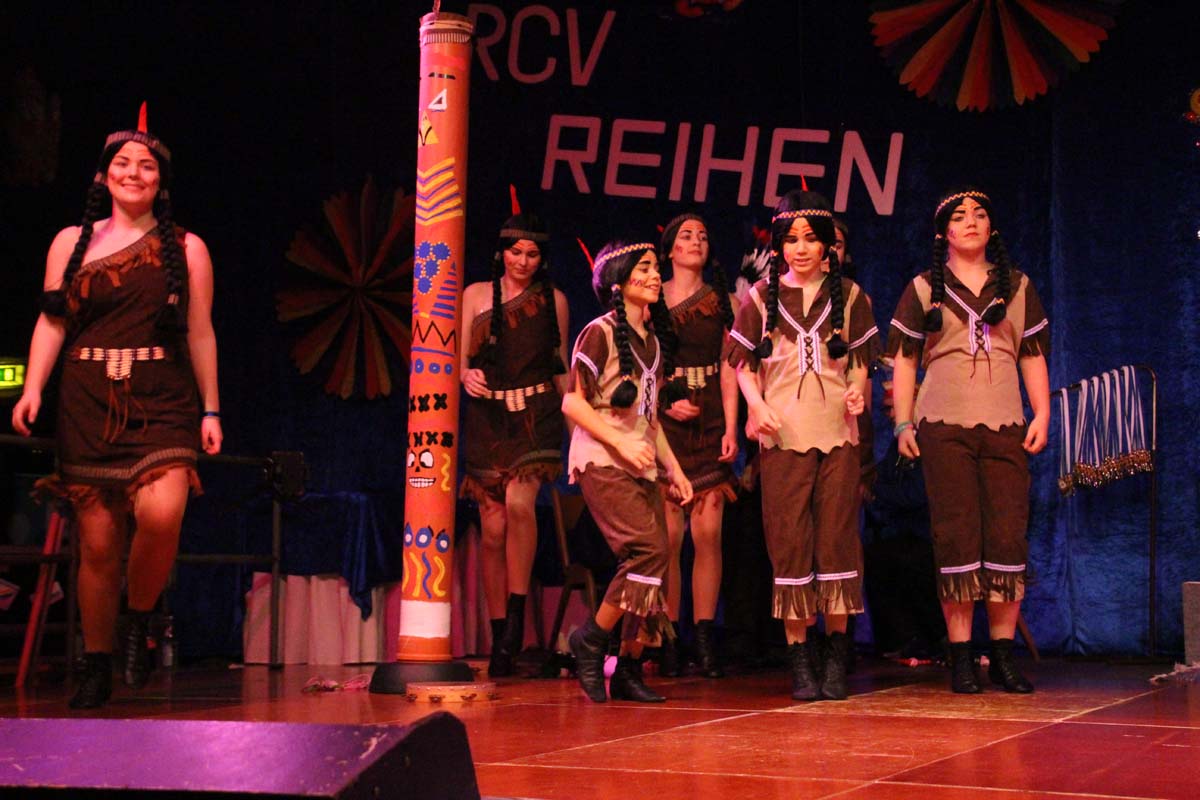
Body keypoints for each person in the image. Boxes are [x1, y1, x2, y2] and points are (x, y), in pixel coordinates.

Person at [11, 105, 222, 709]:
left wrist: (211, 410)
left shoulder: (187, 247)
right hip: (88, 399)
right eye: (123, 163)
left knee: (163, 512)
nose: (134, 173)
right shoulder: (69, 243)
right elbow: (53, 321)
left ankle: (139, 617)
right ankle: (97, 662)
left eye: (147, 165)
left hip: (162, 398)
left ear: (161, 180)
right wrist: (32, 386)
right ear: (103, 176)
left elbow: (200, 332)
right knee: (99, 546)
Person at [887, 187, 1050, 694]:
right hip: (943, 426)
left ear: (991, 228)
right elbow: (905, 360)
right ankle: (960, 655)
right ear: (945, 234)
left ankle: (1002, 655)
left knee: (1006, 537)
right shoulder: (923, 289)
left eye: (980, 214)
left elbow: (1032, 353)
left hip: (1004, 425)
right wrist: (902, 423)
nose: (971, 221)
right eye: (960, 216)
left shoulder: (1017, 286)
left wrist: (1042, 412)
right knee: (956, 538)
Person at [724, 189, 879, 701]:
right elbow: (742, 363)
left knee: (837, 540)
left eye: (811, 239)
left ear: (828, 244)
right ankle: (800, 659)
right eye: (791, 240)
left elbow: (860, 359)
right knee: (789, 543)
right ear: (779, 246)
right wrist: (755, 404)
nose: (801, 248)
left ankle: (836, 655)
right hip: (783, 437)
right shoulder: (759, 299)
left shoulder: (849, 297)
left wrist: (856, 388)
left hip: (837, 436)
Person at [564, 240, 693, 703]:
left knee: (654, 564)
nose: (656, 275)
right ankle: (590, 639)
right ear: (619, 283)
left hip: (640, 462)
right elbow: (573, 401)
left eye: (656, 268)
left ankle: (629, 666)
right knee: (647, 550)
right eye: (646, 268)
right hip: (602, 459)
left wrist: (674, 469)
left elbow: (649, 420)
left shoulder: (653, 343)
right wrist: (618, 441)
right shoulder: (597, 333)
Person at [460, 211, 569, 677]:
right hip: (488, 419)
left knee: (520, 503)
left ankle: (517, 620)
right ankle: (500, 631)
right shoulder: (475, 295)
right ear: (502, 252)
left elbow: (561, 369)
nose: (523, 261)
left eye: (532, 254)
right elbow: (458, 360)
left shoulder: (553, 300)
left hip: (536, 414)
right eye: (515, 252)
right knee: (492, 529)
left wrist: (580, 429)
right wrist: (465, 374)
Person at [656, 213, 738, 678]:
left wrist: (731, 426)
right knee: (669, 538)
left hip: (708, 419)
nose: (696, 241)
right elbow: (641, 363)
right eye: (686, 235)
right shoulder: (651, 295)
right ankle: (668, 638)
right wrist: (664, 402)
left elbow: (730, 367)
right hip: (667, 422)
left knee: (707, 535)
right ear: (669, 248)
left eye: (703, 235)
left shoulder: (724, 300)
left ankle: (705, 638)